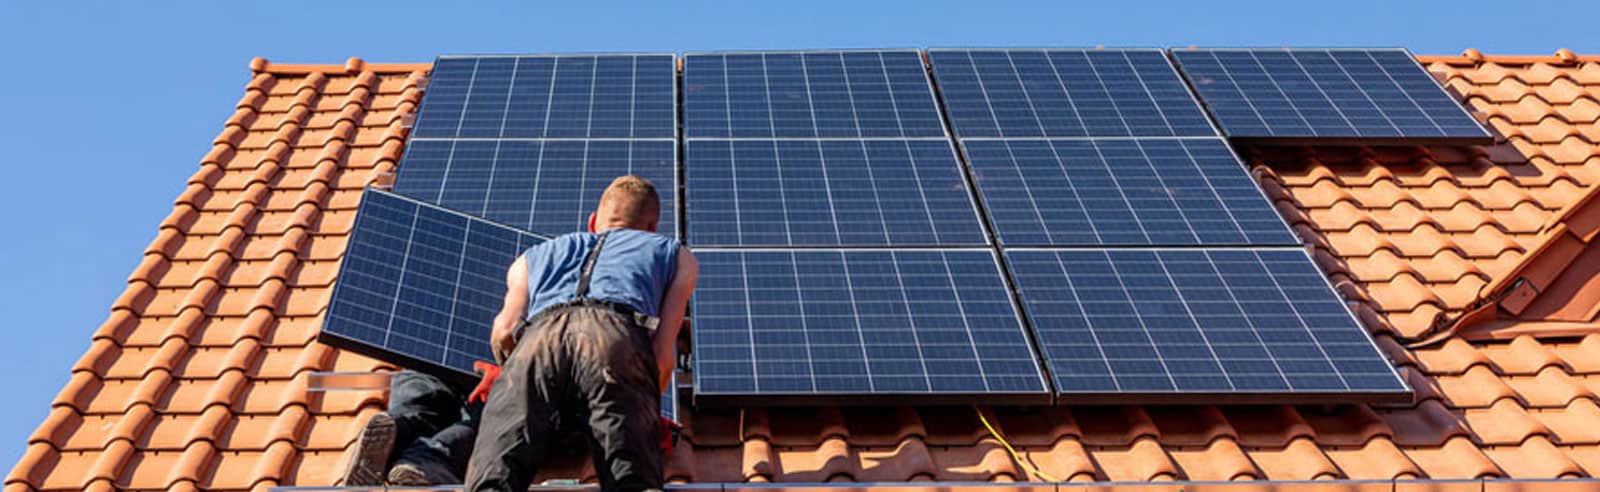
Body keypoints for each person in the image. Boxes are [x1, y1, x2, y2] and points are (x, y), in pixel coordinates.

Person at [465, 175, 698, 492]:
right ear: (652, 228)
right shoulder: (674, 254)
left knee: (496, 475)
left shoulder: (532, 257)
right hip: (614, 335)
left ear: (592, 222)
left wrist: (519, 381)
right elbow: (663, 357)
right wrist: (640, 406)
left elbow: (504, 331)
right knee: (630, 477)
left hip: (538, 338)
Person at [338, 368, 491, 486]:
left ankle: (398, 428)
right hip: (487, 369)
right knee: (484, 418)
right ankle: (424, 460)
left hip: (431, 352)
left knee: (423, 396)